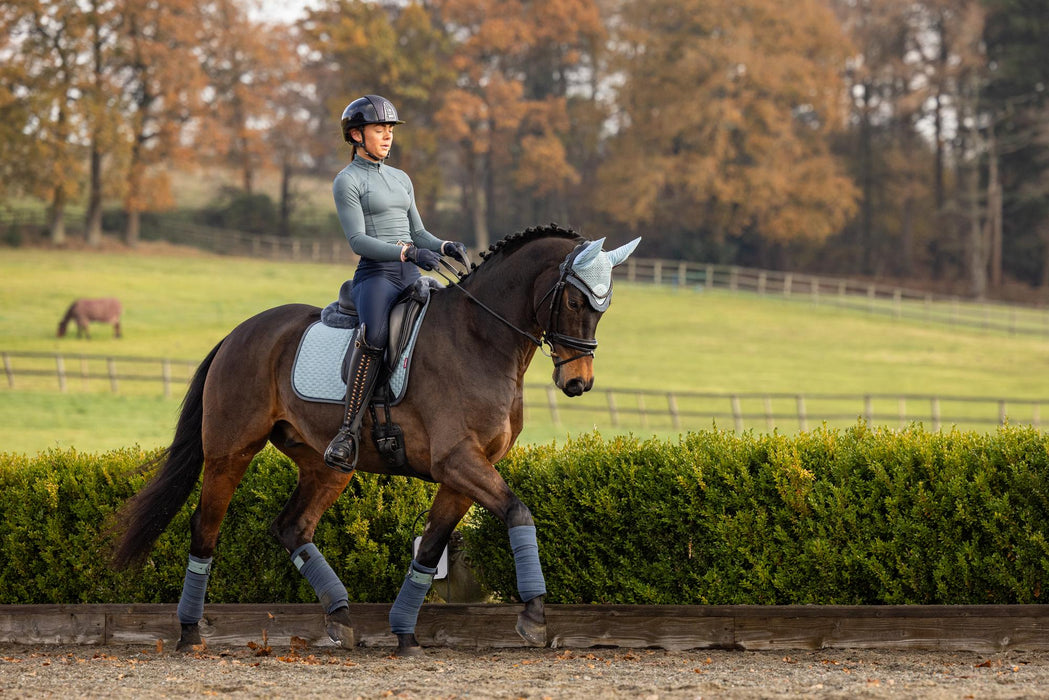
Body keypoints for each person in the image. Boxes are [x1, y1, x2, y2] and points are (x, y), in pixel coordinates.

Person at [324, 94, 469, 473]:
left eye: (390, 129)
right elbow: (358, 241)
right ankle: (348, 431)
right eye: (379, 129)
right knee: (373, 336)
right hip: (376, 277)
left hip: (410, 273)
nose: (387, 136)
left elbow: (417, 232)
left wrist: (444, 245)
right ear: (357, 134)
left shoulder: (401, 178)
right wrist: (406, 253)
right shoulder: (347, 181)